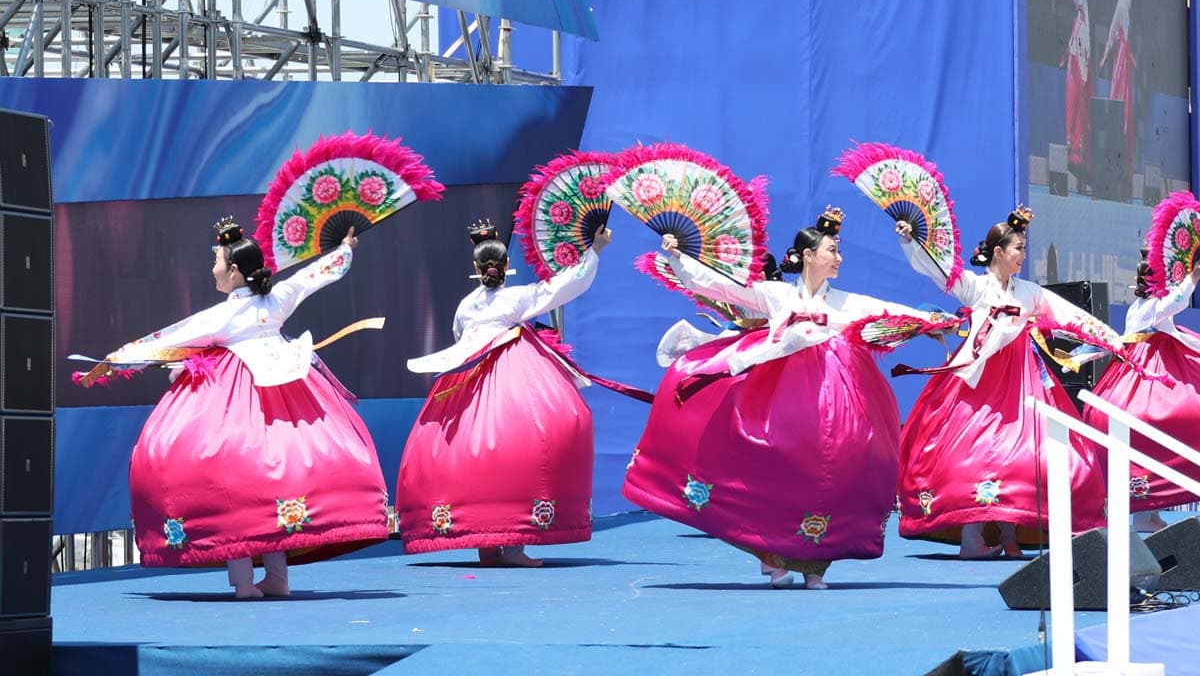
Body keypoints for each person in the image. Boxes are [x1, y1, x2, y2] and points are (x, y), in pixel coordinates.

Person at [624, 208, 935, 588]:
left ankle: (814, 566)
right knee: (771, 473)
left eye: (838, 252)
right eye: (832, 250)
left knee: (827, 477)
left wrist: (931, 323)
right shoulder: (777, 295)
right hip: (778, 401)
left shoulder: (846, 302)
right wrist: (679, 256)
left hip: (828, 404)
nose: (838, 258)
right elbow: (720, 286)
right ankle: (772, 556)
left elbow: (889, 313)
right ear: (808, 255)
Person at [110, 219, 388, 598]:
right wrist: (345, 249)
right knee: (272, 481)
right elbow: (315, 275)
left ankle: (244, 582)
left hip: (236, 406)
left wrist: (116, 360)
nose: (213, 270)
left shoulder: (224, 315)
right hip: (289, 398)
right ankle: (277, 577)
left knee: (237, 484)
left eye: (217, 263)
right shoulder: (278, 297)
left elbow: (170, 338)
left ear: (234, 269)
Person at [894, 207, 1111, 558]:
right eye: (1018, 249)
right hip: (977, 381)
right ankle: (971, 538)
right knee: (967, 452)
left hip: (1020, 382)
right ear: (998, 252)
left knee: (1021, 453)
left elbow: (1071, 316)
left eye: (1024, 248)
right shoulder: (975, 287)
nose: (1023, 256)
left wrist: (1111, 340)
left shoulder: (1028, 292)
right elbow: (940, 271)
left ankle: (1010, 534)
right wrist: (912, 242)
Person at [395, 220, 613, 566]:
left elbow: (458, 338)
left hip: (468, 376)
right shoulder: (517, 297)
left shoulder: (466, 306)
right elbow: (563, 286)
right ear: (506, 267)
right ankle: (512, 545)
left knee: (471, 452)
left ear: (475, 269)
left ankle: (487, 546)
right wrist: (595, 250)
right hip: (514, 376)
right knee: (522, 445)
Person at [1084, 247, 1200, 532]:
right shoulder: (1150, 309)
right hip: (1146, 383)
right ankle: (1146, 511)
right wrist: (1193, 277)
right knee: (1171, 423)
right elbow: (1175, 302)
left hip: (1137, 382)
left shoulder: (1143, 310)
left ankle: (1148, 513)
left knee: (1155, 438)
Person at [1100, 0, 1142, 200]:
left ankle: (1124, 176)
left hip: (1124, 63)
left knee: (1126, 118)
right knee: (1117, 116)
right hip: (1119, 64)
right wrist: (1104, 56)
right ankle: (1114, 175)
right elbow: (1113, 31)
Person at [1059, 0, 1093, 189]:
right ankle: (1075, 151)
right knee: (1074, 106)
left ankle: (1079, 154)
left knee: (1080, 106)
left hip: (1082, 57)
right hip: (1077, 56)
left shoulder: (1085, 2)